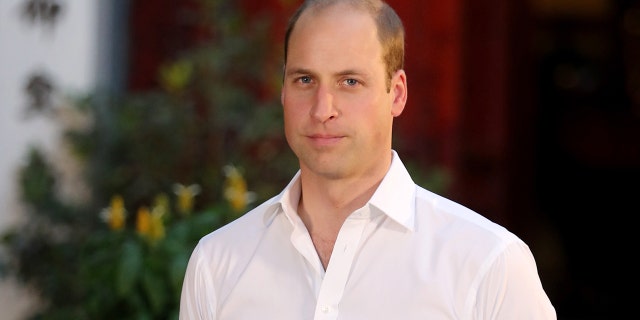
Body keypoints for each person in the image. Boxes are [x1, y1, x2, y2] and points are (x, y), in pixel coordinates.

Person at [179, 0, 557, 319]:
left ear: (397, 94)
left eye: (350, 82)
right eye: (305, 80)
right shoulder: (217, 263)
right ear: (283, 90)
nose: (323, 109)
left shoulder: (488, 264)